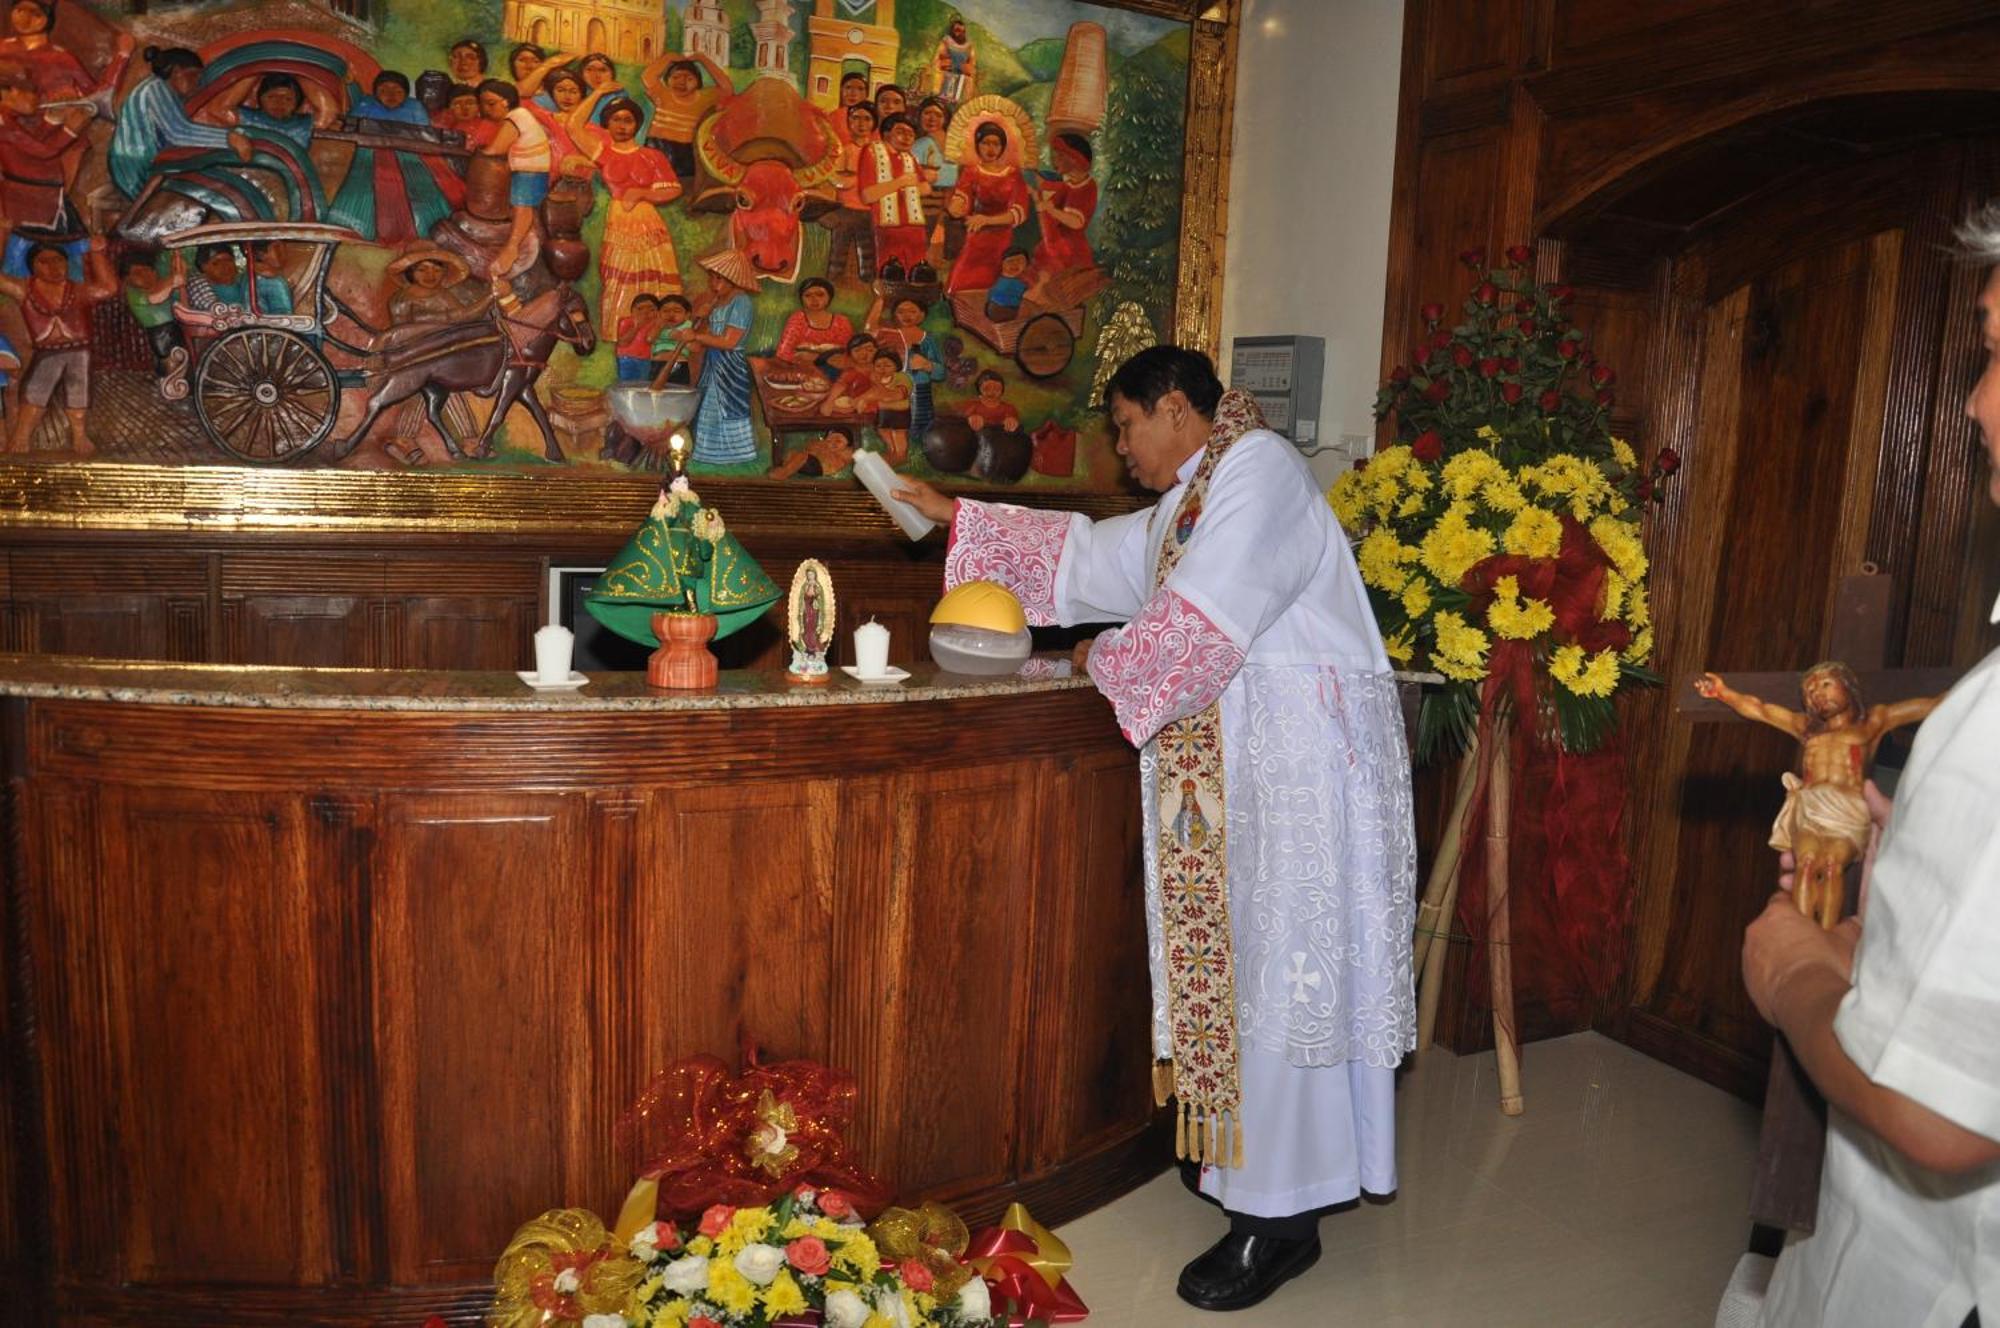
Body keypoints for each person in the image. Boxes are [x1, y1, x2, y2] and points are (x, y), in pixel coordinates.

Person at [893, 346, 1416, 1312]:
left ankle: (1280, 1221)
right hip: (1245, 768)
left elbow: (1203, 619)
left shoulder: (1258, 471)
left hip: (1297, 776)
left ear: (1176, 407)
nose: (1121, 447)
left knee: (1281, 973)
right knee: (1244, 970)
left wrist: (1104, 657)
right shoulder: (1198, 492)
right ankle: (1251, 1172)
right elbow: (1099, 556)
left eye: (1127, 425)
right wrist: (951, 519)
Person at [1743, 206, 2000, 1328]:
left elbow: (1938, 1117)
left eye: (1998, 354)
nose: (1974, 404)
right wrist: (1910, 853)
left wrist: (1796, 976)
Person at [1695, 666, 1940, 927]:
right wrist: (1723, 693)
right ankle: (1803, 930)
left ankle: (1826, 934)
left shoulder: (1871, 723)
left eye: (1825, 684)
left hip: (1848, 811)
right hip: (1811, 810)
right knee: (1807, 864)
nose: (1818, 694)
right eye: (1810, 692)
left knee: (1833, 866)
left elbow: (1927, 705)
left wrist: (1984, 686)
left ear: (1848, 685)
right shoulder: (1806, 728)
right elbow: (1760, 709)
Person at [569, 90, 682, 330]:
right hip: (620, 220)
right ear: (607, 124)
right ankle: (620, 328)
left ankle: (657, 329)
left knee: (655, 273)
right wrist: (599, 92)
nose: (622, 126)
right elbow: (573, 126)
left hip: (648, 221)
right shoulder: (604, 153)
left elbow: (673, 189)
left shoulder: (652, 156)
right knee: (618, 276)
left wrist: (643, 193)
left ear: (637, 125)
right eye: (616, 120)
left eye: (628, 120)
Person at [0, 235, 116, 456]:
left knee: (78, 395)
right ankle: (22, 436)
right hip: (47, 353)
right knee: (35, 395)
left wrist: (97, 253)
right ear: (33, 266)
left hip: (78, 350)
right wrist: (3, 236)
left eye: (59, 260)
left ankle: (79, 437)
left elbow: (108, 288)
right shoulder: (24, 289)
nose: (54, 267)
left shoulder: (78, 290)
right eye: (45, 261)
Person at [108, 46, 251, 199]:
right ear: (176, 72)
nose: (197, 82)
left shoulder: (163, 90)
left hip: (144, 164)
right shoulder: (154, 89)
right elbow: (178, 133)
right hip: (136, 169)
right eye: (193, 75)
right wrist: (228, 138)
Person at [0, 63, 89, 279]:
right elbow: (42, 151)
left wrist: (54, 119)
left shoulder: (10, 119)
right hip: (27, 200)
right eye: (31, 91)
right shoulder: (3, 121)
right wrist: (70, 129)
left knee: (75, 250)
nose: (37, 98)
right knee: (20, 257)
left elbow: (31, 141)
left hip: (46, 197)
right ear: (8, 93)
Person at [677, 248, 759, 466]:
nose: (714, 284)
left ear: (732, 280)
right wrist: (699, 320)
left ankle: (733, 455)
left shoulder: (742, 302)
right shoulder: (716, 303)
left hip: (730, 365)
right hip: (713, 361)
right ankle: (706, 454)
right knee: (706, 405)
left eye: (719, 278)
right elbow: (711, 337)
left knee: (725, 406)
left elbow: (730, 342)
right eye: (712, 278)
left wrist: (698, 335)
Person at [944, 121, 1027, 294]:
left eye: (996, 144)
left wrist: (987, 220)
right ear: (977, 145)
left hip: (1002, 238)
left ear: (1002, 147)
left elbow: (1019, 211)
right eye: (985, 143)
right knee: (960, 284)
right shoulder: (972, 171)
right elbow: (962, 195)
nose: (991, 148)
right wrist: (956, 207)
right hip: (977, 236)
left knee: (997, 283)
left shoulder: (1013, 174)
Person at [480, 79, 551, 279]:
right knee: (521, 207)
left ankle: (511, 248)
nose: (486, 109)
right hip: (531, 168)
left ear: (505, 102)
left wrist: (478, 153)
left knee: (522, 206)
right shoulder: (520, 116)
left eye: (491, 103)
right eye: (484, 104)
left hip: (530, 169)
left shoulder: (516, 117)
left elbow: (496, 149)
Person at [866, 290, 942, 445]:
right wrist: (879, 299)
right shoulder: (890, 335)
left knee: (919, 430)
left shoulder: (928, 340)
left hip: (920, 391)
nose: (907, 316)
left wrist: (928, 365)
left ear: (922, 314)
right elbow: (870, 330)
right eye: (901, 312)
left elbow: (941, 373)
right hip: (893, 389)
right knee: (893, 427)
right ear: (895, 315)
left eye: (912, 311)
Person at [640, 50, 728, 182]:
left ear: (698, 83)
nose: (681, 82)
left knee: (684, 182)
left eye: (689, 78)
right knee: (653, 178)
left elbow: (727, 89)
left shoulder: (703, 98)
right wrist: (669, 57)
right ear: (667, 80)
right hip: (657, 146)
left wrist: (704, 60)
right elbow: (647, 76)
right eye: (675, 77)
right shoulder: (663, 94)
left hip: (687, 150)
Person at [861, 112, 927, 281]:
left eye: (911, 134)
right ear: (886, 133)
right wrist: (900, 183)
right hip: (886, 228)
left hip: (914, 228)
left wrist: (910, 187)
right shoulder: (872, 152)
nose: (906, 138)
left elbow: (926, 188)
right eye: (901, 132)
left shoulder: (909, 158)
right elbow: (868, 195)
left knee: (917, 273)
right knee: (889, 274)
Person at [824, 101, 878, 282]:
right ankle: (833, 281)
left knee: (868, 250)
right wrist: (856, 179)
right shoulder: (845, 151)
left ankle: (868, 283)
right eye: (856, 118)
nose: (861, 124)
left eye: (867, 119)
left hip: (870, 210)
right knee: (839, 248)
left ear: (874, 123)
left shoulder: (878, 152)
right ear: (849, 122)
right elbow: (835, 178)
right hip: (846, 209)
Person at [1032, 131, 1098, 276]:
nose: (1055, 161)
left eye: (1060, 156)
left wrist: (1051, 210)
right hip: (1052, 246)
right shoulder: (1064, 183)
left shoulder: (1087, 187)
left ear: (1076, 159)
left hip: (1071, 251)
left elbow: (1076, 222)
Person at [775, 277, 852, 378]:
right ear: (801, 299)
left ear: (829, 296)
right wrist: (826, 356)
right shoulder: (798, 319)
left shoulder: (841, 322)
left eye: (820, 295)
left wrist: (815, 357)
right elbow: (784, 353)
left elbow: (848, 355)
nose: (814, 300)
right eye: (808, 295)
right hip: (800, 373)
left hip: (835, 374)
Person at [120, 250, 181, 374]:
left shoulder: (161, 284)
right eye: (138, 273)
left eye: (147, 270)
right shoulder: (134, 293)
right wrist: (172, 282)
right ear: (127, 279)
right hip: (161, 333)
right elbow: (155, 298)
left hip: (176, 327)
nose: (145, 275)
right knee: (171, 363)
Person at [862, 342, 912, 464]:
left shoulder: (901, 377)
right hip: (884, 411)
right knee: (883, 430)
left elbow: (896, 395)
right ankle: (892, 451)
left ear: (896, 365)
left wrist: (878, 386)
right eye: (878, 366)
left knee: (898, 433)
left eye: (887, 365)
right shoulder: (877, 379)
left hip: (900, 412)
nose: (882, 369)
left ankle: (901, 455)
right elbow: (872, 393)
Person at [615, 292, 668, 382]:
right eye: (640, 309)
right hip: (626, 359)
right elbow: (622, 342)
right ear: (632, 311)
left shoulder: (655, 324)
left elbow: (650, 339)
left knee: (642, 383)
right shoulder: (626, 322)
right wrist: (636, 327)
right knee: (626, 383)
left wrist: (658, 326)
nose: (645, 312)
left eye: (651, 309)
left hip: (644, 360)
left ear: (657, 312)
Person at [648, 292, 697, 385]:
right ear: (658, 313)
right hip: (657, 364)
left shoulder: (688, 326)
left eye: (677, 311)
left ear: (687, 315)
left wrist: (682, 338)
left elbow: (695, 348)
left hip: (678, 364)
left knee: (678, 390)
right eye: (665, 311)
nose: (671, 315)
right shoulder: (658, 326)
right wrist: (658, 327)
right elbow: (650, 339)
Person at [930, 16, 977, 104]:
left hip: (962, 76)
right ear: (953, 30)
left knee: (967, 83)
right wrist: (943, 64)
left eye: (962, 31)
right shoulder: (946, 41)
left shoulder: (969, 46)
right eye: (957, 30)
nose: (960, 33)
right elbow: (938, 59)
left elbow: (971, 64)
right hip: (947, 72)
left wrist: (967, 69)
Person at [954, 368, 1017, 432]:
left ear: (1002, 390)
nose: (991, 392)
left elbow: (1013, 421)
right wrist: (971, 418)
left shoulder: (1008, 408)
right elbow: (961, 419)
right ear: (979, 389)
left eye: (997, 389)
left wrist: (1011, 421)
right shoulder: (973, 406)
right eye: (987, 388)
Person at [985, 248, 1030, 322]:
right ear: (1003, 264)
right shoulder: (1006, 281)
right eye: (1010, 261)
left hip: (995, 309)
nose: (1015, 265)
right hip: (1003, 310)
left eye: (1020, 261)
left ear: (1026, 264)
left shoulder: (1019, 280)